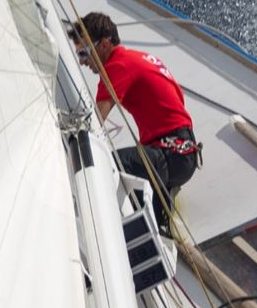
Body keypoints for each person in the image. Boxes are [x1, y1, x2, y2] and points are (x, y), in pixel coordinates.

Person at [70, 11, 201, 200]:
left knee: (103, 166)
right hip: (183, 153)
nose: (81, 62)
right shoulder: (138, 58)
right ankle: (159, 204)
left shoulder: (117, 66)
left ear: (105, 45)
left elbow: (94, 123)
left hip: (170, 156)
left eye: (84, 53)